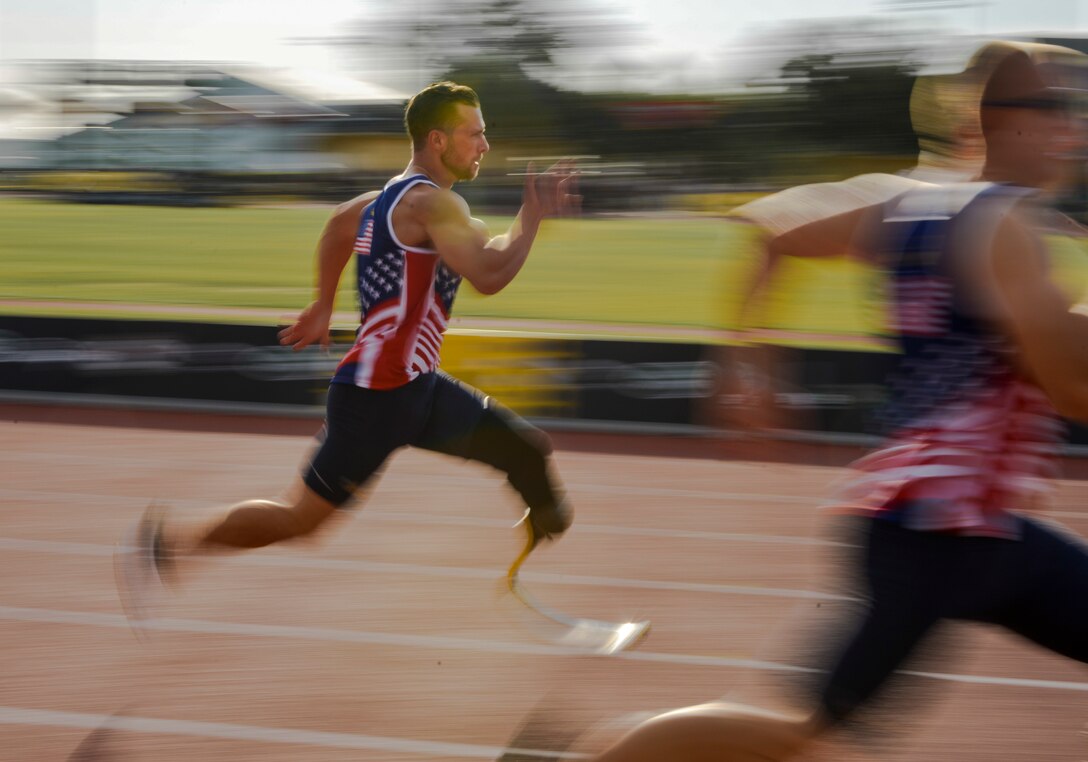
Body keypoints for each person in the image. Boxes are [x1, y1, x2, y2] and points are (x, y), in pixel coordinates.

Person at [578, 40, 1088, 761]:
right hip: (940, 534)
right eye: (1062, 108)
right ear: (1007, 119)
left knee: (802, 728)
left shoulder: (911, 201)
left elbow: (771, 230)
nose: (1077, 127)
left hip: (968, 526)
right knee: (799, 732)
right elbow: (1069, 388)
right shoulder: (1008, 230)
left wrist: (744, 353)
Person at [115, 81, 578, 626]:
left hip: (419, 391)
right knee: (300, 521)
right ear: (437, 139)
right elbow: (490, 274)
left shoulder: (393, 200)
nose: (485, 145)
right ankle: (171, 541)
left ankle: (538, 529)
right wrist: (532, 218)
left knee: (528, 451)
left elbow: (339, 226)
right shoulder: (433, 203)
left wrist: (322, 303)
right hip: (374, 401)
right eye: (474, 133)